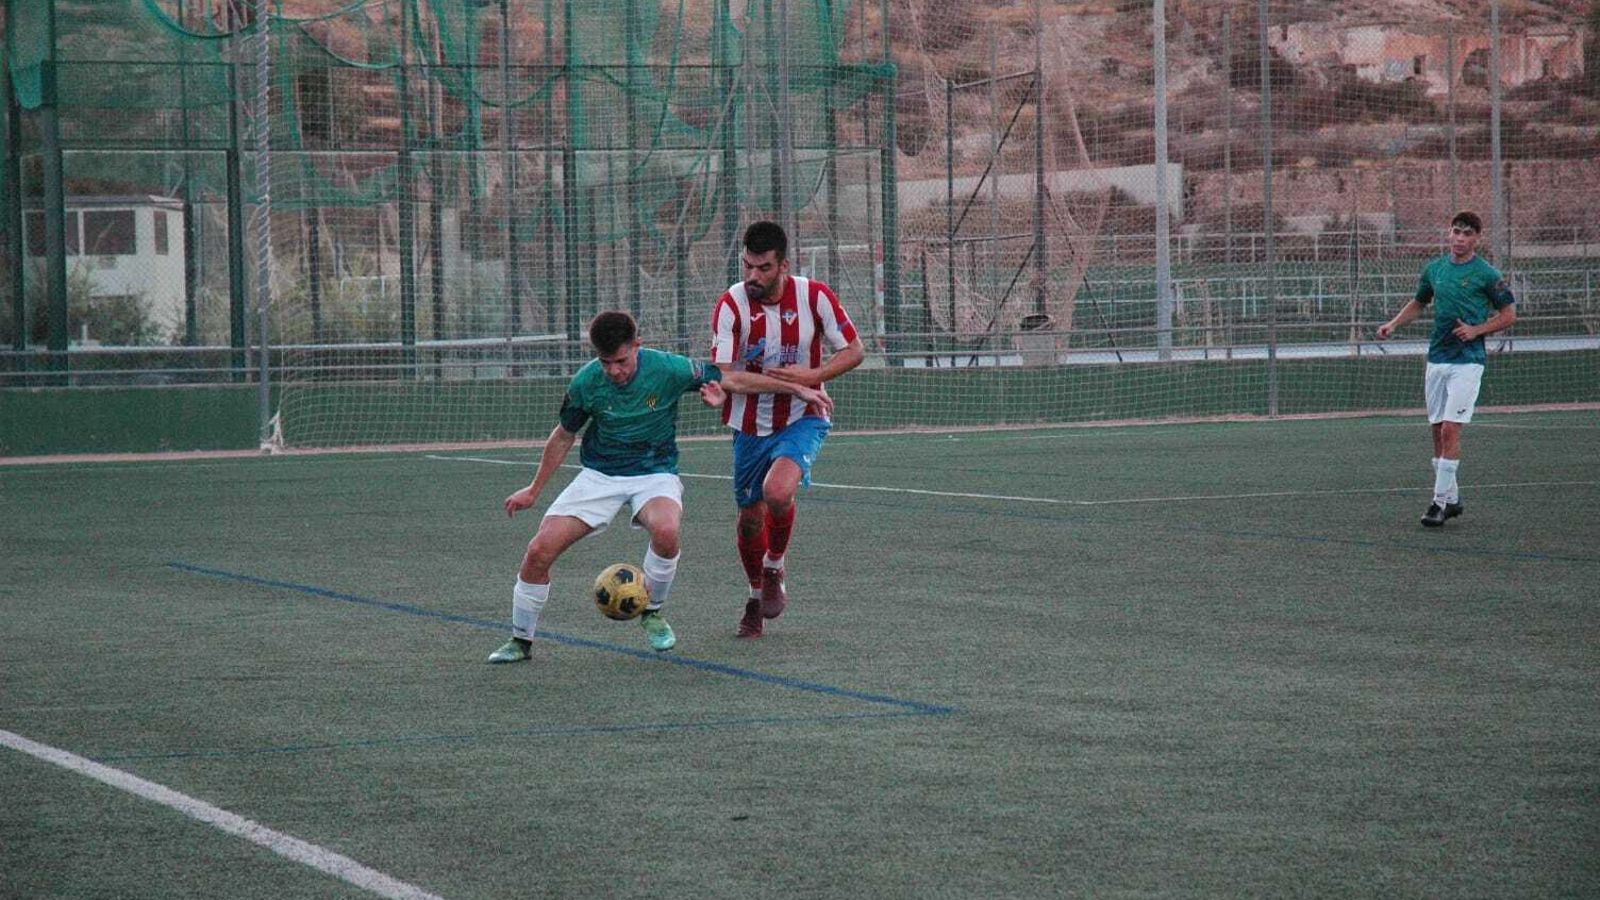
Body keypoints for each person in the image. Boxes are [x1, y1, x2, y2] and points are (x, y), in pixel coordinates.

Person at [487, 310, 831, 663]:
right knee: (539, 550)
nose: (614, 371)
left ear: (638, 346)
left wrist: (792, 388)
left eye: (621, 361)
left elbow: (732, 380)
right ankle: (520, 640)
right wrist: (533, 490)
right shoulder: (586, 383)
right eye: (606, 363)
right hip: (599, 475)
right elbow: (563, 436)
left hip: (655, 473)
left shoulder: (669, 368)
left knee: (666, 530)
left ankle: (652, 612)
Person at [701, 221, 865, 637]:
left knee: (778, 491)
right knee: (749, 519)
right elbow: (729, 378)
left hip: (802, 417)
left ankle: (774, 565)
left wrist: (812, 378)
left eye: (763, 268)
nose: (752, 276)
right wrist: (796, 383)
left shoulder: (815, 296)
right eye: (747, 267)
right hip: (748, 425)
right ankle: (755, 594)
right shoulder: (730, 306)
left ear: (784, 266)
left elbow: (855, 350)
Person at [1376, 210, 1517, 528]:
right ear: (1449, 234)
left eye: (1467, 234)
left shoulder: (1487, 274)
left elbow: (1509, 314)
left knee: (1452, 428)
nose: (1459, 238)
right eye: (1456, 232)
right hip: (1437, 359)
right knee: (1437, 431)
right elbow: (1419, 302)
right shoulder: (1435, 269)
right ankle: (1452, 499)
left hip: (1467, 362)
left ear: (1477, 238)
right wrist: (1393, 324)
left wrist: (1477, 330)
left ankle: (1438, 504)